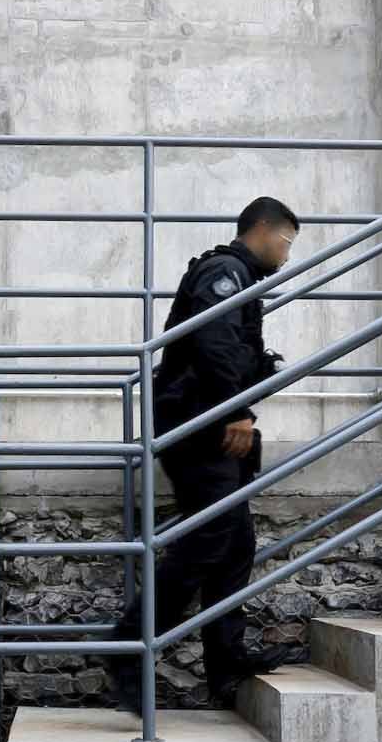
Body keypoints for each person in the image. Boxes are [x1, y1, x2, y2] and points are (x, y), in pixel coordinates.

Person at [108, 197, 304, 711]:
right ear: (262, 230)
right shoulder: (224, 272)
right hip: (199, 424)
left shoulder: (238, 277)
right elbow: (216, 344)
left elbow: (233, 351)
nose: (287, 255)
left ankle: (226, 663)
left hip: (209, 419)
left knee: (235, 541)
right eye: (287, 242)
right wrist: (237, 410)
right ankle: (129, 646)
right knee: (212, 534)